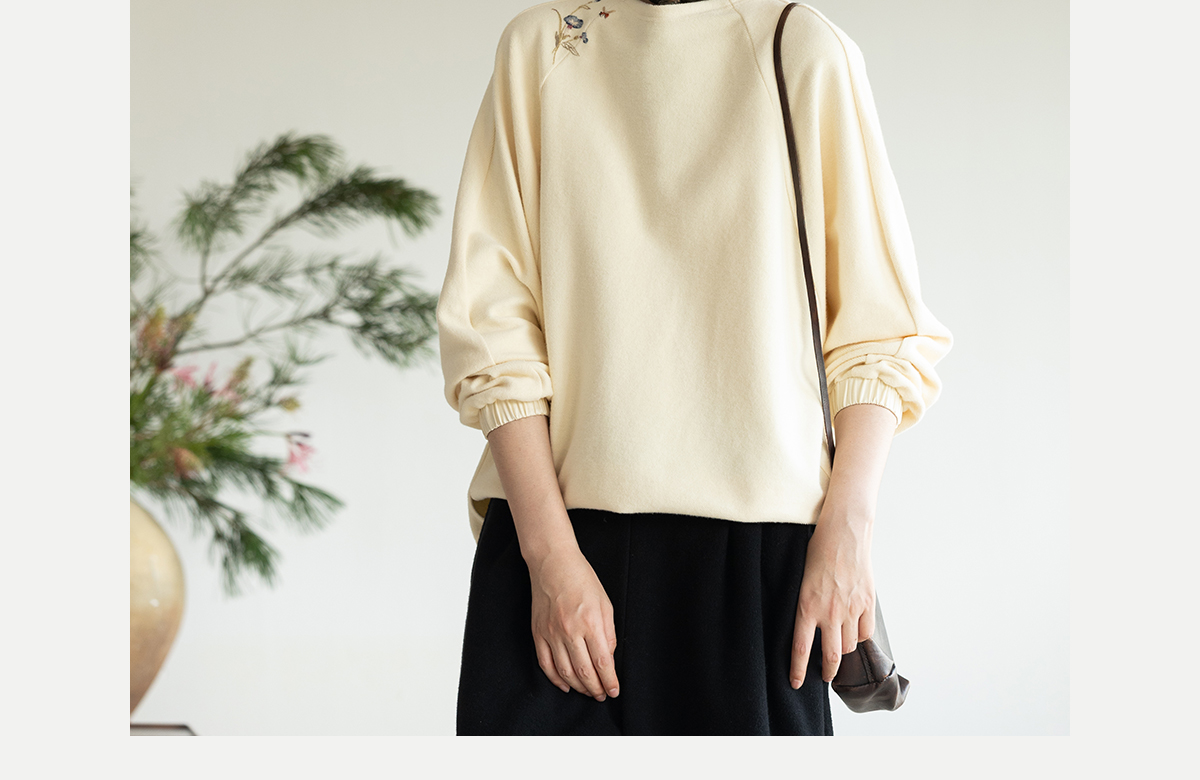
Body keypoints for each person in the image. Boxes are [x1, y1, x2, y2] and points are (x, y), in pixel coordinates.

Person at [436, 0, 952, 735]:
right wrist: (548, 556)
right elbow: (492, 328)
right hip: (558, 542)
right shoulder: (541, 47)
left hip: (758, 565)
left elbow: (877, 331)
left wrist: (849, 534)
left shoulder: (803, 48)